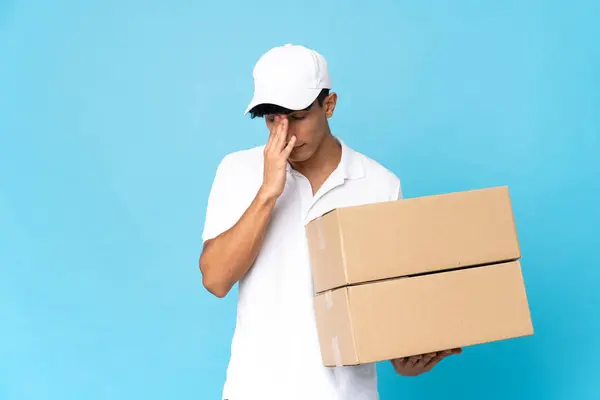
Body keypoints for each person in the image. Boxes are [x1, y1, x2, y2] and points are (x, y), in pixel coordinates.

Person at [199, 43, 462, 400]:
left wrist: (405, 358)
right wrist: (268, 192)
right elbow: (215, 279)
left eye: (298, 115)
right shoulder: (238, 170)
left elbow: (387, 305)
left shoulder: (380, 184)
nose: (285, 131)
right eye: (272, 117)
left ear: (329, 105)